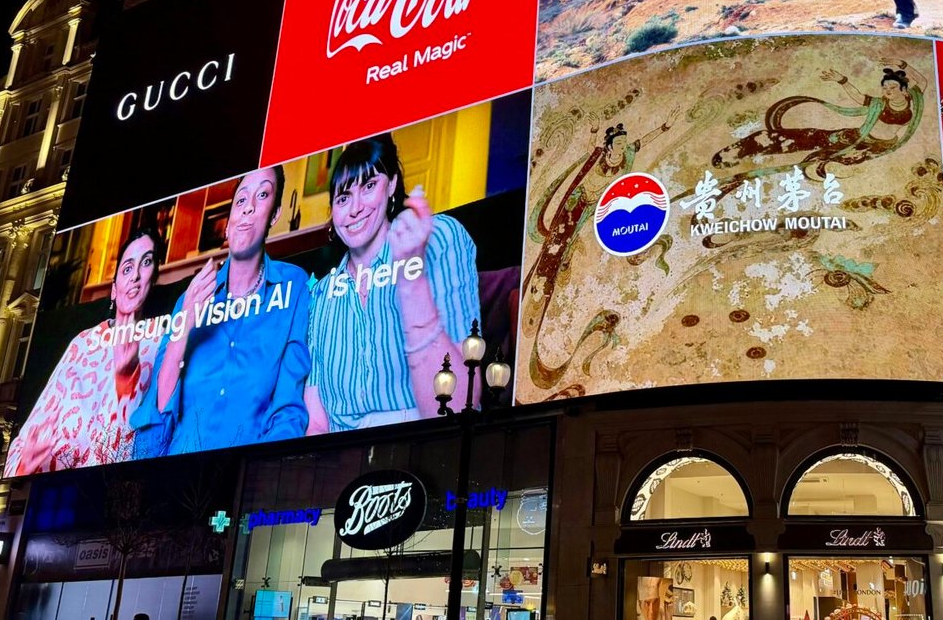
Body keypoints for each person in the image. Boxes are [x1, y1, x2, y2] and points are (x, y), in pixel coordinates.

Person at [305, 134, 482, 431]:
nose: (355, 208)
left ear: (392, 185)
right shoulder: (322, 294)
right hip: (343, 451)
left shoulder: (439, 237)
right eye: (343, 198)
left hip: (429, 438)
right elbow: (316, 423)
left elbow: (456, 404)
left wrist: (411, 278)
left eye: (369, 186)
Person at [131, 167, 311, 456]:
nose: (248, 207)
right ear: (228, 224)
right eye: (241, 200)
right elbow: (159, 412)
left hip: (247, 471)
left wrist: (258, 473)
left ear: (275, 214)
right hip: (178, 467)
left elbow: (288, 412)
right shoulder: (190, 299)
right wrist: (184, 325)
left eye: (262, 195)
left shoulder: (293, 286)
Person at [523, 119, 674, 389]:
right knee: (559, 245)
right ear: (610, 144)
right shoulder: (599, 155)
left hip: (596, 210)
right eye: (618, 142)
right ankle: (544, 284)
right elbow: (589, 148)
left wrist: (664, 127)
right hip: (577, 204)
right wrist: (593, 129)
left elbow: (643, 141)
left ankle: (565, 270)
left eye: (624, 142)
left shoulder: (627, 156)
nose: (622, 146)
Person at [5, 227, 165, 474]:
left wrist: (126, 383)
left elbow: (143, 441)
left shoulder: (160, 337)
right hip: (50, 478)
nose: (135, 276)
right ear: (114, 289)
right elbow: (26, 439)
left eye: (146, 263)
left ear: (153, 279)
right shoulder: (82, 342)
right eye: (127, 268)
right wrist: (27, 461)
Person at [710, 59, 926, 181]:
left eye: (892, 87)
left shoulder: (914, 100)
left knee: (823, 161)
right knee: (812, 137)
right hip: (855, 136)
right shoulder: (878, 103)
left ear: (904, 90)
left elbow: (923, 81)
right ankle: (749, 146)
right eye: (885, 87)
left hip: (875, 148)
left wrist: (902, 64)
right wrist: (842, 80)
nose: (888, 90)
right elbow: (859, 97)